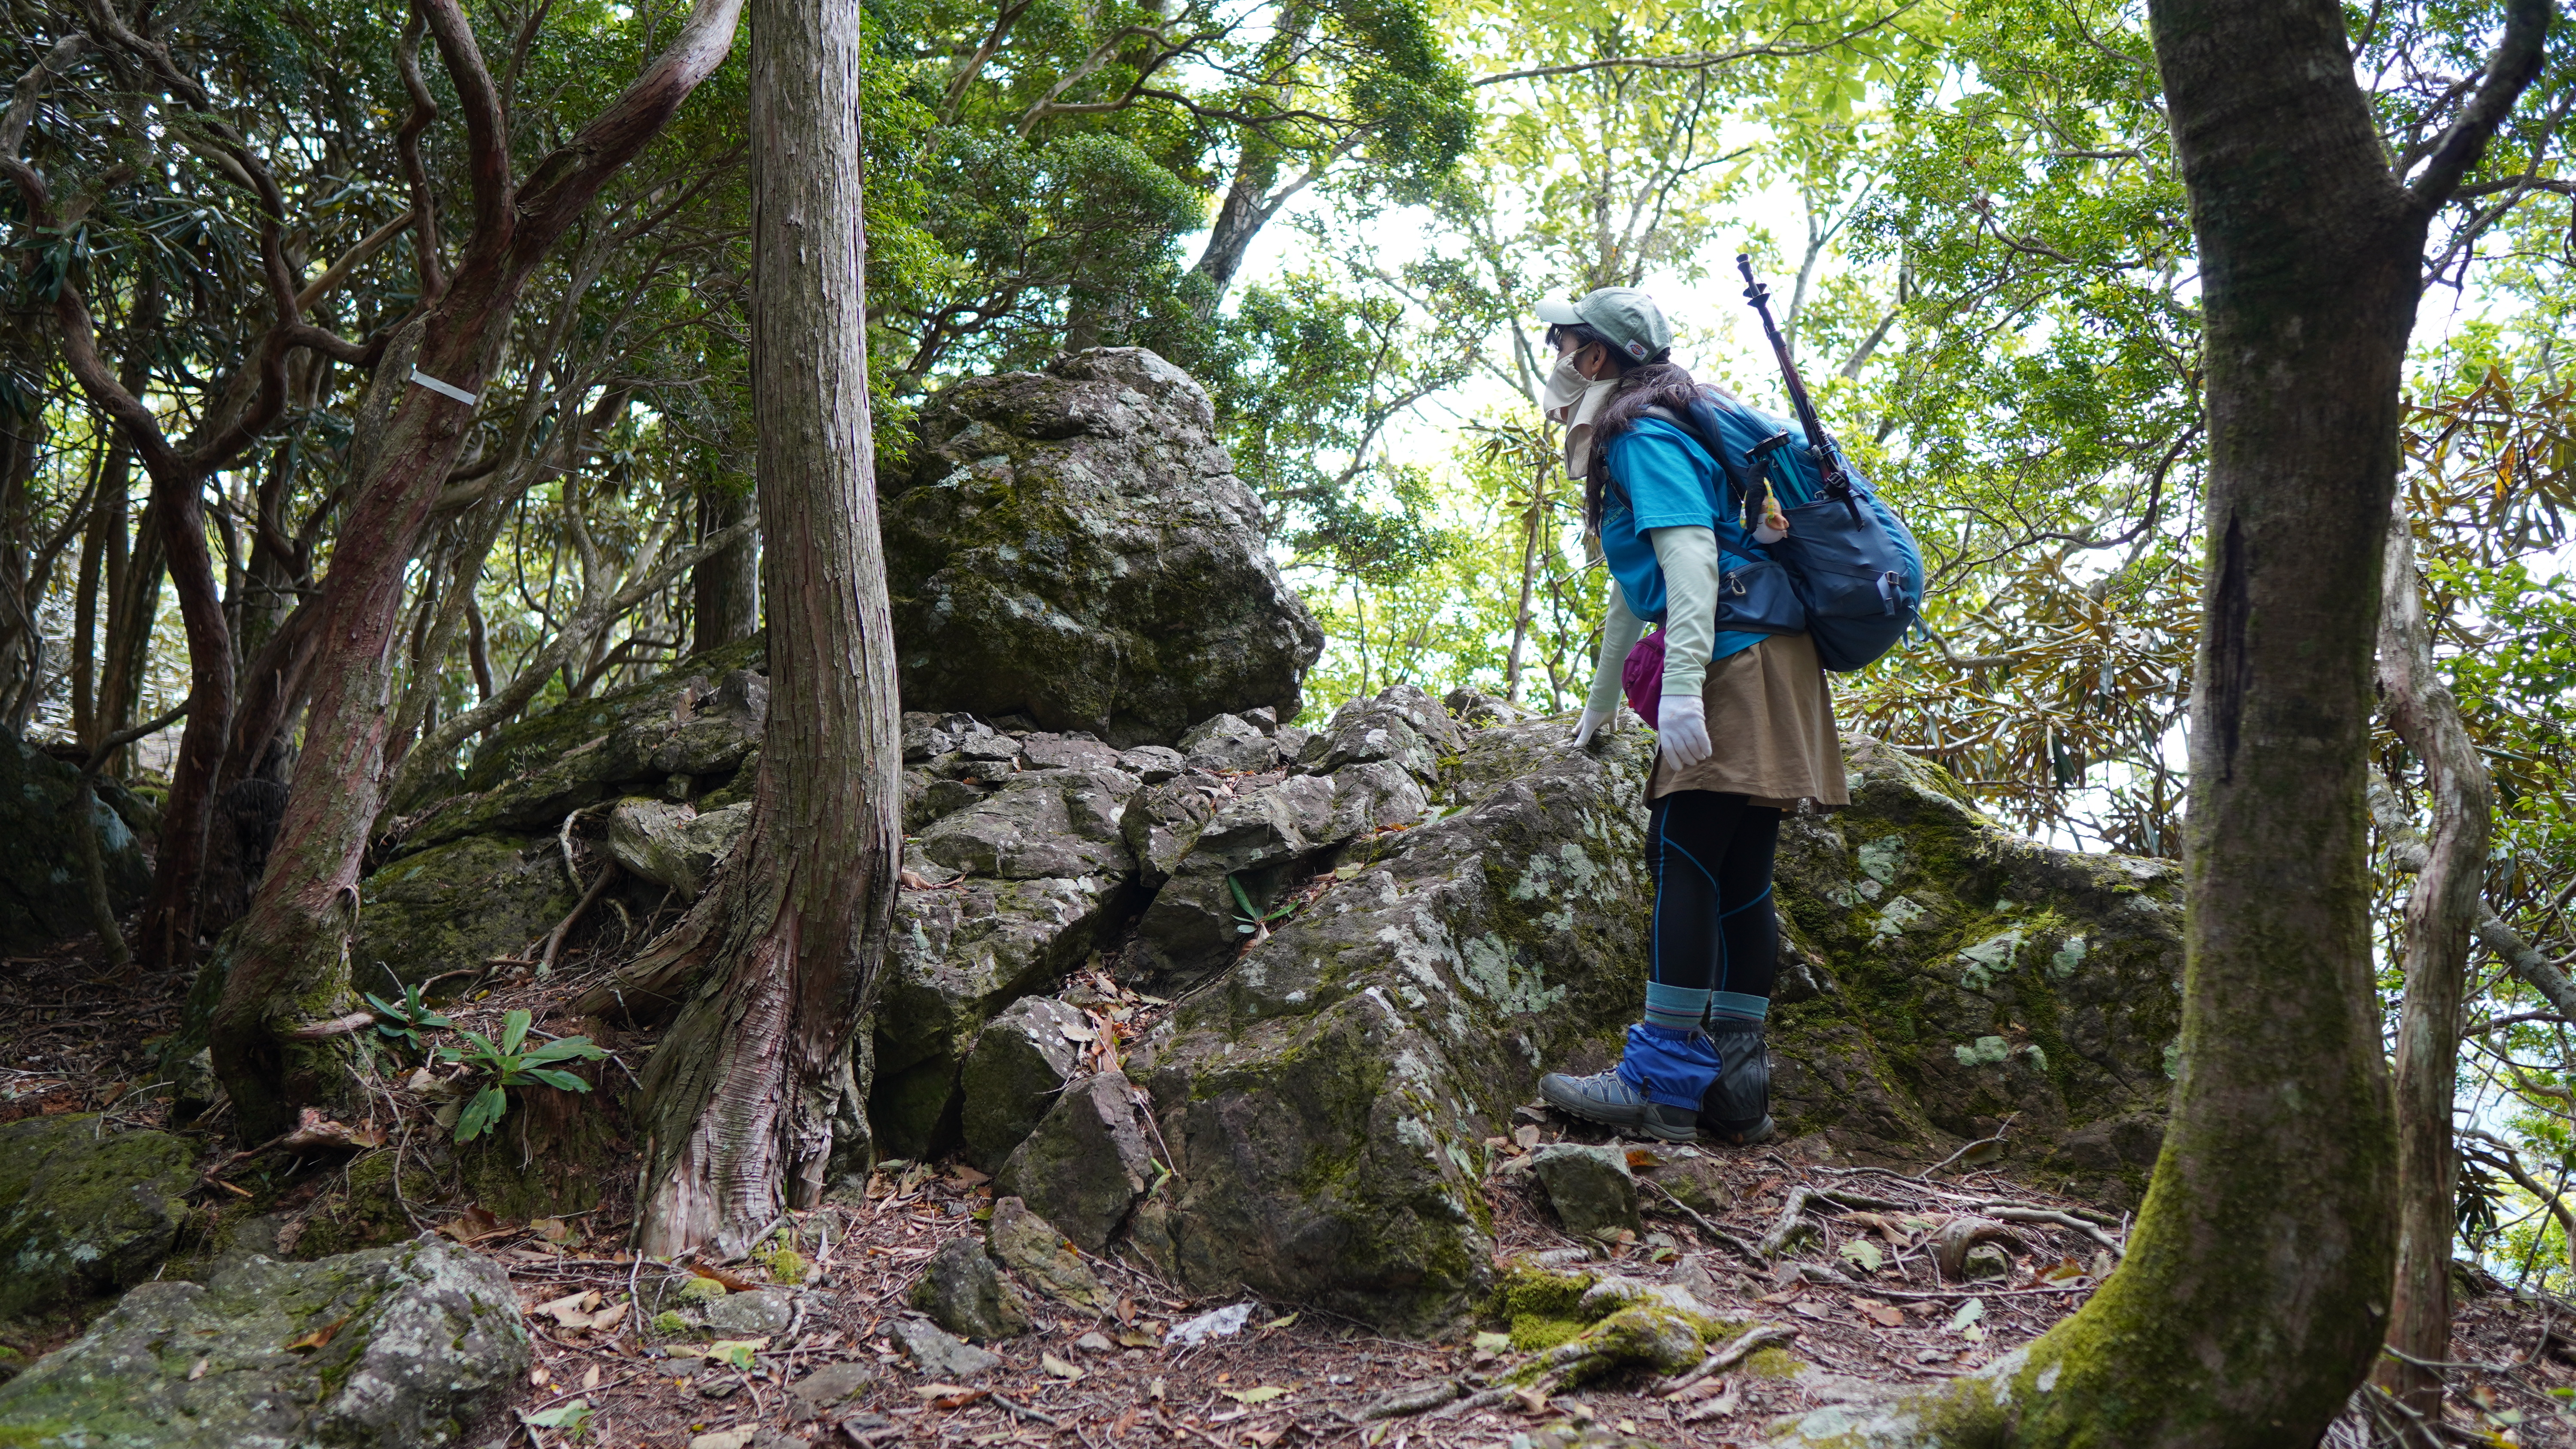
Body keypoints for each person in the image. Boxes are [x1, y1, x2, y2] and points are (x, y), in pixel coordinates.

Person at [1531, 286, 1848, 1144]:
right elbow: (1634, 590)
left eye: (1564, 341)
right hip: (1780, 652)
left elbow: (1690, 560)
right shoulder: (1679, 419)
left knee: (1685, 855)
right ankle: (1738, 1094)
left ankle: (1660, 1085)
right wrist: (1600, 706)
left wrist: (1680, 686)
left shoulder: (1640, 433)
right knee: (1742, 870)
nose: (1557, 357)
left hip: (1733, 656)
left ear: (1598, 355)